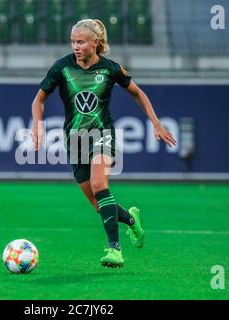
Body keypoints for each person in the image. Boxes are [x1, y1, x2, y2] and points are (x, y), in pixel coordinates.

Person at [31, 19, 177, 268]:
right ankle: (131, 220)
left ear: (95, 43)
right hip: (74, 139)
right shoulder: (62, 68)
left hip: (102, 133)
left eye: (81, 41)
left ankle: (115, 250)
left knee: (100, 184)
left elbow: (138, 93)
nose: (76, 46)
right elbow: (39, 100)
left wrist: (156, 123)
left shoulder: (111, 69)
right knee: (99, 205)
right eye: (73, 41)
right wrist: (37, 123)